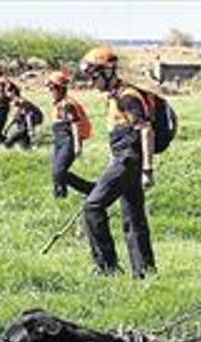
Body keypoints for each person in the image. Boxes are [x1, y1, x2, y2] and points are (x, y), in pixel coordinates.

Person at [78, 46, 156, 278]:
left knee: (92, 207)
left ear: (108, 72)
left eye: (94, 75)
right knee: (133, 217)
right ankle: (144, 272)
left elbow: (146, 130)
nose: (91, 81)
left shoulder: (127, 96)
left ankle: (107, 268)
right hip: (123, 160)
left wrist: (148, 170)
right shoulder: (114, 97)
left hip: (129, 162)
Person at [45, 70, 95, 198]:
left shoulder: (68, 104)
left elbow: (75, 124)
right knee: (56, 172)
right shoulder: (59, 103)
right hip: (59, 141)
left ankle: (90, 189)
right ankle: (60, 196)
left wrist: (77, 145)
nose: (50, 90)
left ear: (59, 88)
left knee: (59, 171)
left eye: (52, 87)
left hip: (68, 141)